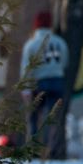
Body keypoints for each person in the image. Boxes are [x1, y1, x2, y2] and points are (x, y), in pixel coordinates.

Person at [20, 11, 68, 152]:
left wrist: (26, 89)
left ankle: (33, 148)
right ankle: (49, 149)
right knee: (52, 117)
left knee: (33, 116)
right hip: (57, 82)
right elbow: (65, 62)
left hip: (39, 83)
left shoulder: (31, 44)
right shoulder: (60, 42)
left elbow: (26, 68)